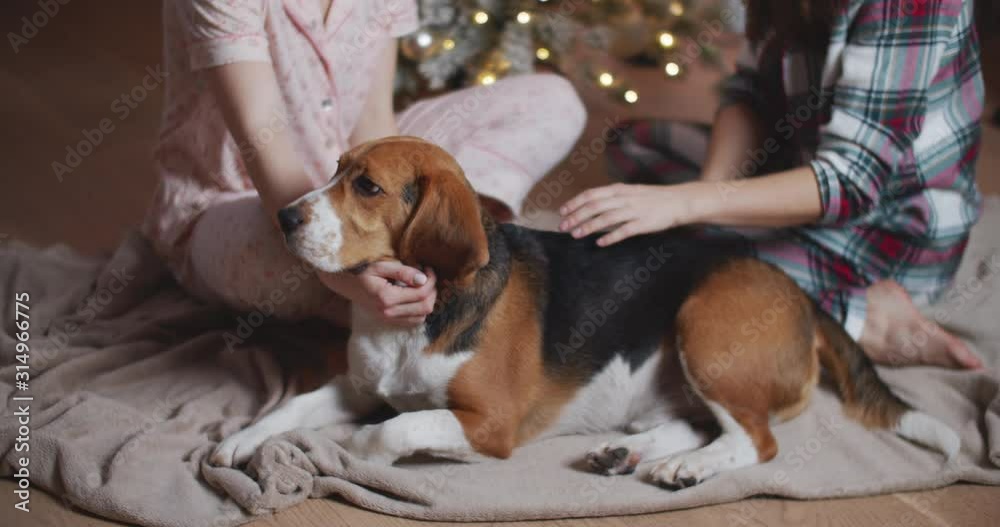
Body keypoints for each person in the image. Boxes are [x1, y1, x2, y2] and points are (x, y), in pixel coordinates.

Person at [559, 0, 984, 369]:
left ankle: (865, 319)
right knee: (634, 144)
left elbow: (851, 182)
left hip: (885, 231)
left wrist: (691, 204)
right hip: (800, 162)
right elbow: (749, 93)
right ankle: (752, 247)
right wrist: (708, 196)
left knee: (682, 284)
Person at [142, 0, 586, 327]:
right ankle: (415, 287)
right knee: (283, 245)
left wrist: (379, 212)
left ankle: (437, 260)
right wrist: (341, 274)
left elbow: (374, 125)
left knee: (554, 101)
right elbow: (262, 131)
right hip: (238, 202)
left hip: (354, 177)